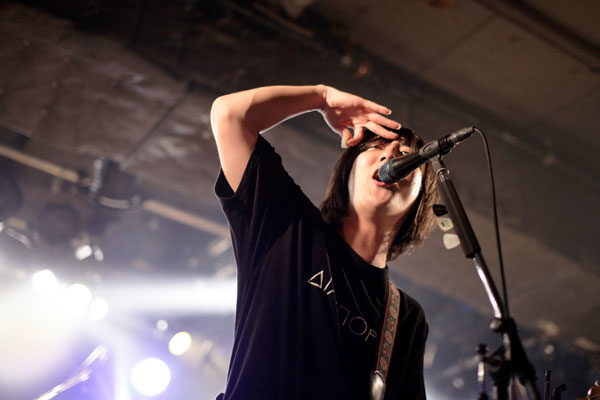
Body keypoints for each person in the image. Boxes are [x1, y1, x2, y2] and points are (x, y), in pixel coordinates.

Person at [210, 85, 439, 400]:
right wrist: (321, 98)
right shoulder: (289, 225)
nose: (390, 155)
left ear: (421, 194)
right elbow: (230, 115)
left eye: (405, 156)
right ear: (349, 170)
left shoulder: (405, 318)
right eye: (377, 146)